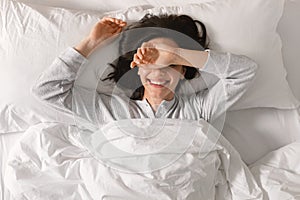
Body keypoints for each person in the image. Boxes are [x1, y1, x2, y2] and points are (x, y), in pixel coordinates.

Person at [31, 14, 258, 128]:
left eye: (170, 65)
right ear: (136, 68)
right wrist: (91, 43)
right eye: (150, 61)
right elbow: (47, 90)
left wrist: (179, 54)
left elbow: (245, 72)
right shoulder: (110, 111)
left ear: (182, 71)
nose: (159, 72)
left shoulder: (198, 110)